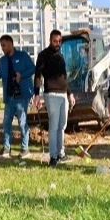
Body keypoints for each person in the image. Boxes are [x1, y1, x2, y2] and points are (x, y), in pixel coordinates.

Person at [0, 35, 36, 158]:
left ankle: (25, 149)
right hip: (9, 97)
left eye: (4, 45)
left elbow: (32, 68)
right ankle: (6, 149)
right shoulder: (3, 60)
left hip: (22, 96)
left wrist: (22, 75)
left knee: (22, 122)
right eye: (1, 46)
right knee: (6, 122)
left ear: (10, 44)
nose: (2, 48)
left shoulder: (23, 56)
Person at [33, 29, 76, 167]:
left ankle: (60, 153)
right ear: (50, 40)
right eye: (55, 41)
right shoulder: (43, 55)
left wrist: (70, 93)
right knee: (54, 126)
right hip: (51, 94)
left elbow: (64, 78)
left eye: (59, 41)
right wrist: (36, 95)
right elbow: (38, 75)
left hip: (64, 94)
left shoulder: (61, 57)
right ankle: (53, 157)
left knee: (62, 126)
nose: (57, 43)